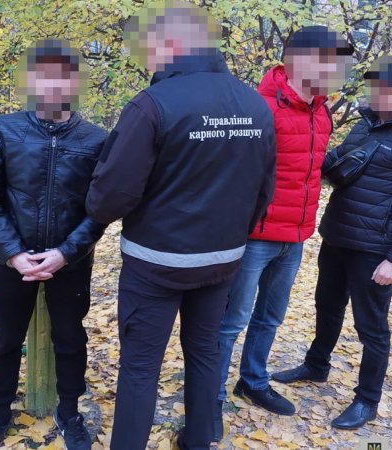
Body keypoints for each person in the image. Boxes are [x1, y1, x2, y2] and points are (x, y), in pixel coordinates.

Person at [84, 3, 276, 450]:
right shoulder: (255, 105)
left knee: (140, 367)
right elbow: (264, 189)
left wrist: (95, 209)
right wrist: (234, 235)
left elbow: (112, 193)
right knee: (205, 355)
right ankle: (198, 442)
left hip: (156, 263)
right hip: (222, 260)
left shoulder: (153, 104)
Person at [272, 55, 392, 430]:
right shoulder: (365, 125)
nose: (378, 94)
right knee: (327, 307)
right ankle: (316, 365)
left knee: (371, 328)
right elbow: (330, 162)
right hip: (338, 237)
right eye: (375, 87)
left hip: (375, 250)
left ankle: (367, 399)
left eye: (387, 89)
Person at [0, 39, 107, 450]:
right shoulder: (3, 129)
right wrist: (12, 253)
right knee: (6, 340)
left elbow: (101, 206)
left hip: (70, 262)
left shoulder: (97, 139)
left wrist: (66, 253)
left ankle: (69, 412)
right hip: (12, 260)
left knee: (70, 338)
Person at [214, 25, 354, 434]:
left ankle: (253, 381)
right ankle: (210, 397)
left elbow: (308, 172)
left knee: (270, 317)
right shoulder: (258, 107)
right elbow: (232, 176)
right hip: (253, 239)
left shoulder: (321, 112)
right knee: (230, 322)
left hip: (294, 238)